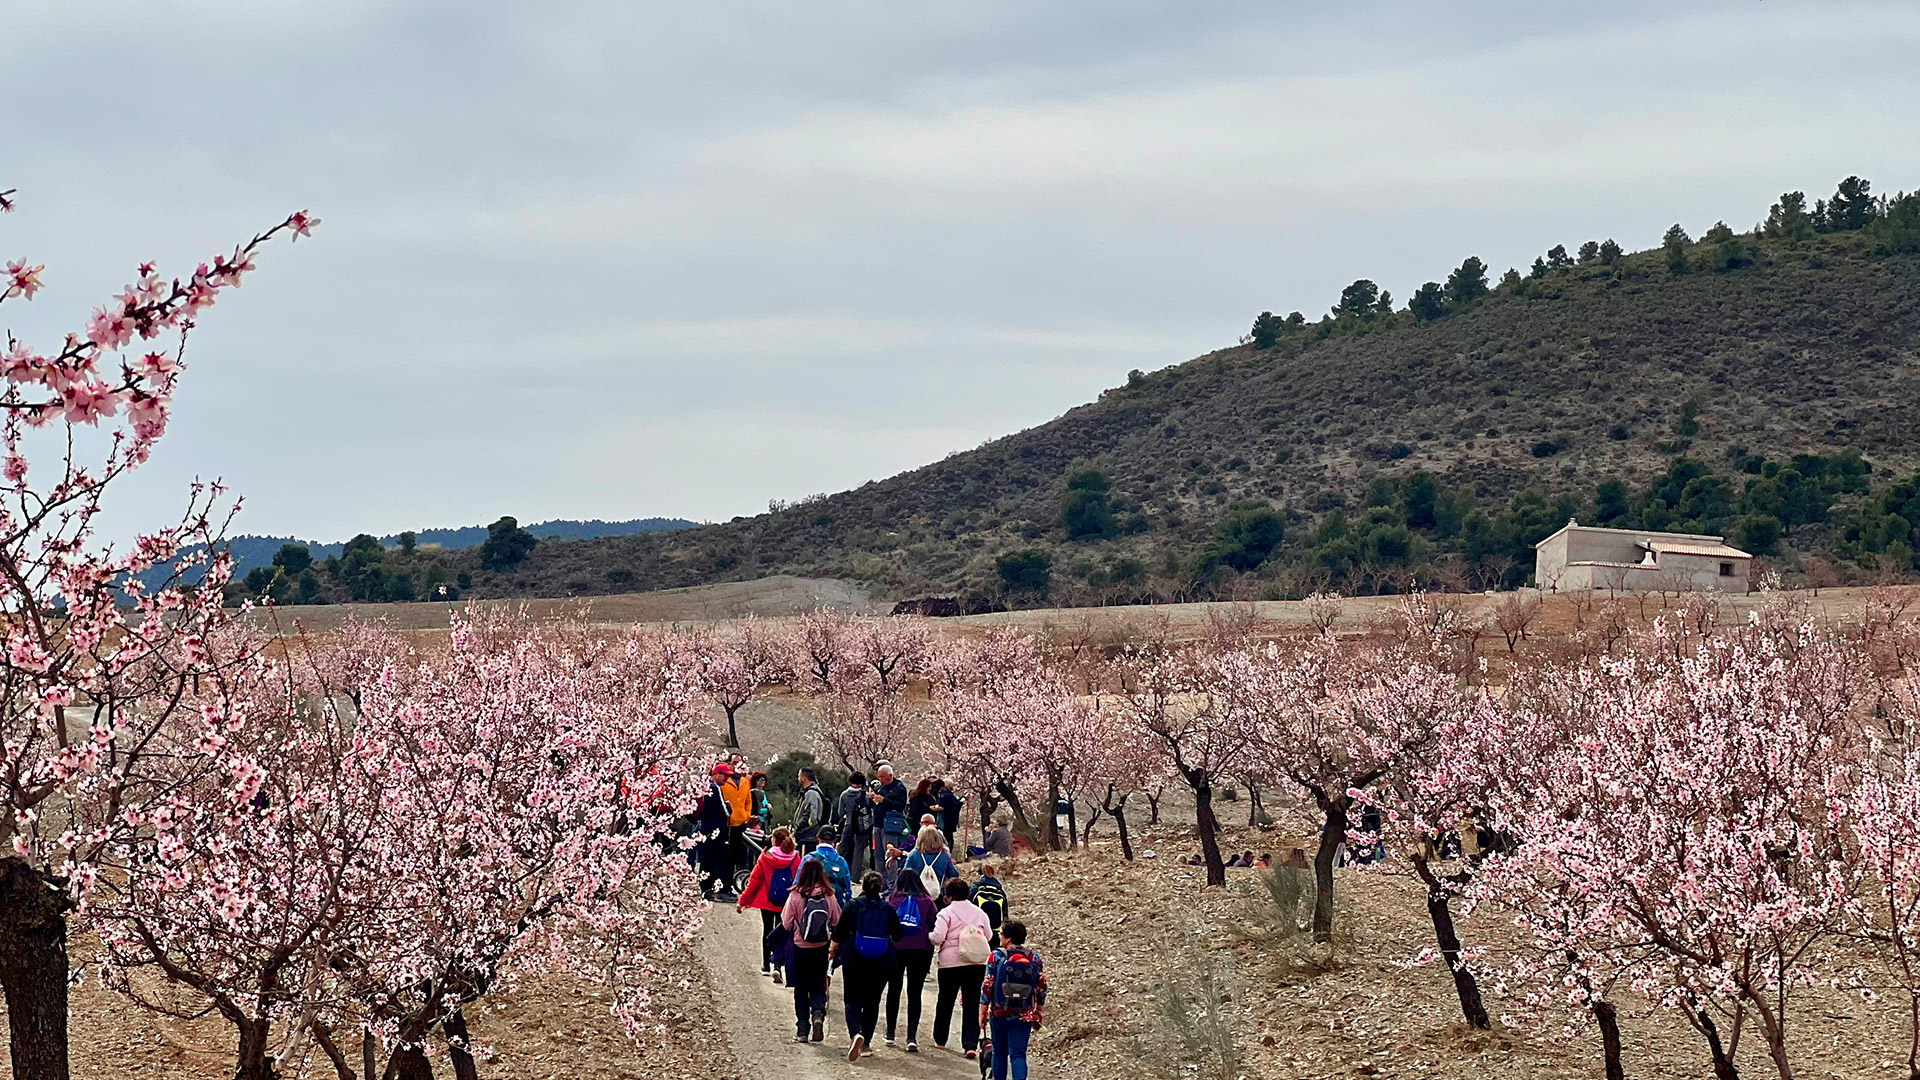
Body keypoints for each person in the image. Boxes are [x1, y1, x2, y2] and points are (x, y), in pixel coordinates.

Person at [832, 871, 903, 1062]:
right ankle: (866, 1044)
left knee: (852, 999)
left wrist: (833, 949)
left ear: (863, 886)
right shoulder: (888, 909)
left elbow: (839, 932)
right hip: (881, 960)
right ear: (880, 887)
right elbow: (898, 935)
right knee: (872, 1002)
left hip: (854, 958)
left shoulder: (853, 905)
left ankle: (855, 1033)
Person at [928, 875, 992, 1059]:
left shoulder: (945, 913)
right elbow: (987, 936)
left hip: (950, 963)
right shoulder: (979, 913)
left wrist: (929, 936)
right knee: (971, 1002)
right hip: (975, 962)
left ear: (948, 896)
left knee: (945, 1000)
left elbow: (938, 937)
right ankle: (970, 1044)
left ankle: (940, 1039)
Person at [781, 857, 842, 1043]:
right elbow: (837, 919)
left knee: (801, 988)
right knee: (818, 984)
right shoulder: (828, 894)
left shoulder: (796, 895)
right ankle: (817, 1014)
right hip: (821, 947)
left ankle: (802, 1030)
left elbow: (786, 923)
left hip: (800, 947)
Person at [980, 920, 1046, 1080]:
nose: (999, 936)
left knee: (999, 1052)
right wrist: (1038, 1010)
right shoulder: (1034, 958)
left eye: (1001, 933)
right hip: (1024, 1013)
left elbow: (988, 985)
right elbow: (1041, 986)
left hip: (999, 1011)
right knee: (1018, 1055)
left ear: (1008, 938)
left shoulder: (996, 956)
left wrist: (983, 1011)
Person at [737, 826, 804, 982]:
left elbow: (754, 881)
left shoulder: (766, 857)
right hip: (786, 902)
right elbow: (799, 881)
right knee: (782, 932)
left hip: (767, 901)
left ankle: (766, 964)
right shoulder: (795, 858)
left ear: (774, 840)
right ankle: (777, 965)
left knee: (767, 930)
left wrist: (743, 901)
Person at [882, 867, 938, 1051]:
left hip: (896, 948)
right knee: (915, 992)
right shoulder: (927, 901)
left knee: (894, 989)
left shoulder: (892, 900)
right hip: (920, 950)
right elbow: (933, 923)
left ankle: (890, 1033)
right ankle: (911, 1037)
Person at [697, 763, 736, 900]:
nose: (726, 779)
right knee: (719, 860)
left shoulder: (704, 787)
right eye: (725, 776)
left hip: (706, 828)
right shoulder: (715, 788)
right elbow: (725, 811)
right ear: (717, 774)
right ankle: (720, 890)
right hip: (717, 830)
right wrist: (728, 806)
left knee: (706, 860)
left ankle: (706, 889)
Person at [869, 763, 910, 878]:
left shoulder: (899, 788)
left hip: (890, 825)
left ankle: (891, 881)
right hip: (877, 823)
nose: (880, 779)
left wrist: (884, 800)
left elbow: (901, 805)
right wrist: (872, 799)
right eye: (879, 776)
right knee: (878, 854)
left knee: (890, 854)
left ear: (890, 775)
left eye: (883, 776)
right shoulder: (880, 787)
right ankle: (880, 880)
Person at [904, 824, 960, 895]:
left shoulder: (914, 854)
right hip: (936, 893)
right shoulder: (944, 855)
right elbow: (954, 874)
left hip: (916, 894)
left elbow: (905, 874)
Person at [836, 772, 872, 878]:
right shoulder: (865, 795)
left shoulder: (844, 794)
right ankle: (855, 876)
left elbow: (840, 812)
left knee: (843, 849)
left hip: (848, 823)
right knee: (859, 851)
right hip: (861, 826)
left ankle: (838, 872)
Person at [807, 827, 854, 907]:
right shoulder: (841, 861)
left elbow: (798, 884)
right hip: (837, 907)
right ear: (834, 840)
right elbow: (848, 890)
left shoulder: (809, 858)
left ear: (817, 837)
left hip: (813, 909)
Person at [792, 767, 828, 849]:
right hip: (809, 836)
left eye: (799, 776)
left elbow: (811, 816)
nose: (798, 779)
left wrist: (799, 830)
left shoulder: (811, 793)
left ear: (803, 778)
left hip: (808, 837)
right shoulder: (814, 791)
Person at [971, 864, 1009, 933]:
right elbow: (1005, 911)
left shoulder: (976, 887)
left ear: (980, 874)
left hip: (979, 930)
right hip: (996, 929)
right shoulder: (999, 889)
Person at [931, 779, 964, 848]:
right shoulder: (947, 796)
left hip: (945, 820)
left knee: (947, 838)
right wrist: (962, 801)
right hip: (948, 820)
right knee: (948, 839)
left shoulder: (942, 795)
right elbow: (954, 806)